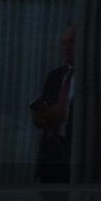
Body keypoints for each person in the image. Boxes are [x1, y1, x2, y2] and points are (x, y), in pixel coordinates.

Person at [31, 26, 77, 183]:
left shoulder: (92, 77)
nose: (66, 47)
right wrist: (40, 115)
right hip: (51, 156)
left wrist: (66, 114)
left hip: (76, 155)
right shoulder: (55, 76)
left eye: (71, 42)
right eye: (63, 43)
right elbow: (43, 106)